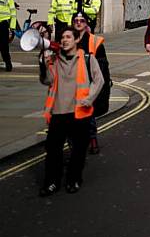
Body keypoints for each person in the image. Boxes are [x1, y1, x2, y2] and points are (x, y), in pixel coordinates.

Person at [38, 27, 105, 196]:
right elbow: (47, 81)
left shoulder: (87, 58)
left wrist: (89, 99)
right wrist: (43, 65)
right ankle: (51, 182)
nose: (64, 40)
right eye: (62, 38)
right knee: (53, 150)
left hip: (80, 112)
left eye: (68, 37)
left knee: (78, 151)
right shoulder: (54, 59)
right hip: (58, 112)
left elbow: (99, 80)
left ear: (76, 40)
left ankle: (73, 179)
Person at [71, 13, 111, 155]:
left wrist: (102, 88)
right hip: (71, 85)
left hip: (89, 84)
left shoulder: (95, 41)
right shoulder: (69, 39)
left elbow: (103, 67)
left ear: (86, 23)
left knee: (89, 116)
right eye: (76, 20)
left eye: (82, 21)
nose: (79, 23)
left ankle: (93, 140)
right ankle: (75, 148)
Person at [0, 0, 17, 71]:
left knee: (4, 46)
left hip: (3, 24)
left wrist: (12, 27)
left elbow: (13, 12)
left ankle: (8, 63)